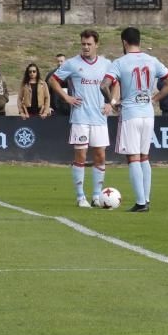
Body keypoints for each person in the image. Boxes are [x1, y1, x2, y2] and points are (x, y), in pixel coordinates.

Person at [102, 28, 168, 212]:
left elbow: (104, 85)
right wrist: (155, 99)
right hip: (148, 114)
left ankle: (141, 203)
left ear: (124, 42)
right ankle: (146, 199)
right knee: (144, 157)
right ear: (139, 41)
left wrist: (112, 102)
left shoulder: (120, 62)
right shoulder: (152, 60)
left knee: (133, 157)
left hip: (131, 113)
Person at [48, 30, 113, 208]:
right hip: (80, 117)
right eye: (83, 44)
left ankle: (97, 196)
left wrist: (111, 102)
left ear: (96, 44)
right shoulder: (72, 63)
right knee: (81, 155)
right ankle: (80, 197)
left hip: (100, 117)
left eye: (89, 44)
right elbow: (53, 80)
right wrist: (66, 97)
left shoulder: (106, 64)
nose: (85, 47)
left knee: (100, 155)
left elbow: (116, 83)